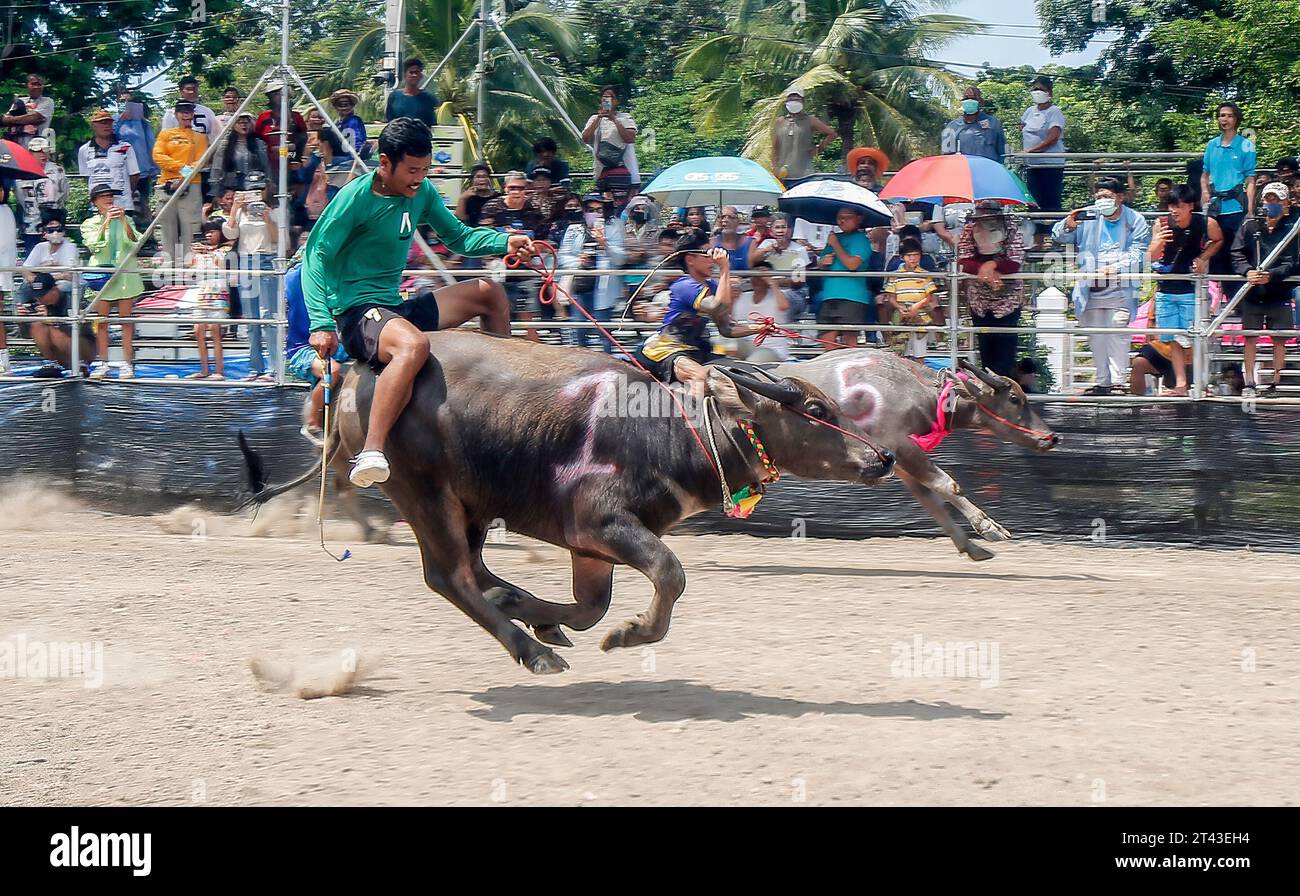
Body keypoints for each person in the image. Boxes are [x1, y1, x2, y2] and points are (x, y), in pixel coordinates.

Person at [302, 117, 531, 487]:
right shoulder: (354, 198)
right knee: (414, 345)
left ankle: (501, 401)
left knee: (489, 293)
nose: (418, 178)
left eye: (424, 170)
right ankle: (372, 451)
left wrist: (505, 242)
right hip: (359, 313)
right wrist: (320, 322)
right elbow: (316, 255)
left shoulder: (421, 192)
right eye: (411, 170)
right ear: (385, 163)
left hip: (395, 306)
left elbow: (458, 237)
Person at [630, 227, 764, 396]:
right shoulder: (684, 285)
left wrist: (759, 328)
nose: (712, 260)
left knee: (737, 372)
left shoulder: (712, 286)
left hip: (694, 350)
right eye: (707, 254)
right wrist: (724, 269)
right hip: (667, 350)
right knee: (700, 378)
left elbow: (726, 329)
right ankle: (690, 421)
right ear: (690, 260)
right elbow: (718, 306)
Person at [1052, 177, 1151, 394]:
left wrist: (1114, 268)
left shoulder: (1136, 220)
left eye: (1107, 196)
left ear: (1120, 197)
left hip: (1120, 284)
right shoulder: (1087, 215)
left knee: (1117, 329)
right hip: (1090, 286)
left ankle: (1118, 382)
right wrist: (1068, 225)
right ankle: (1103, 382)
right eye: (1098, 197)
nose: (1102, 201)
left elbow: (1139, 252)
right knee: (1095, 334)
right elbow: (1058, 236)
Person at [1147, 184, 1223, 396]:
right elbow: (1151, 256)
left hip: (1191, 289)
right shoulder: (1160, 224)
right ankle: (1181, 384)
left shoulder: (1205, 222)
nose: (1174, 210)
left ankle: (1202, 382)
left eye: (1179, 205)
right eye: (1171, 205)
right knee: (1172, 339)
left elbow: (1218, 240)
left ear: (1190, 206)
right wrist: (1158, 241)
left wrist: (1203, 257)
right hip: (1166, 288)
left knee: (1196, 338)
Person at [1230, 181, 1299, 398]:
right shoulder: (1250, 225)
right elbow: (1236, 252)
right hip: (1252, 291)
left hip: (1279, 291)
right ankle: (1250, 383)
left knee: (1279, 338)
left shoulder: (1293, 228)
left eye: (1276, 199)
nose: (1271, 203)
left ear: (1286, 202)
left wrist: (1273, 275)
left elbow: (1293, 261)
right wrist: (1247, 272)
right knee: (1250, 337)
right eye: (1268, 199)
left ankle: (1275, 383)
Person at [81, 184, 146, 379]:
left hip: (125, 274)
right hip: (103, 276)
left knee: (126, 321)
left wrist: (124, 220)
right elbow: (94, 245)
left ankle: (127, 364)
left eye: (110, 196)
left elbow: (136, 243)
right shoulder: (89, 223)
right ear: (95, 202)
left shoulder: (126, 219)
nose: (109, 200)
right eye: (103, 197)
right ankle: (103, 363)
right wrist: (106, 222)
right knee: (102, 322)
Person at [958, 200, 1026, 377]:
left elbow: (1015, 261)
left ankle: (1003, 389)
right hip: (980, 301)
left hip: (1007, 301)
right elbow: (964, 259)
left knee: (1005, 352)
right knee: (986, 350)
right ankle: (989, 389)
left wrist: (993, 265)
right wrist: (983, 270)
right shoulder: (969, 229)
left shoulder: (1011, 228)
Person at [223, 173, 280, 381]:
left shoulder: (273, 210)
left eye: (259, 189)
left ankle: (274, 368)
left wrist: (267, 218)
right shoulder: (240, 212)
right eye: (251, 190)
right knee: (251, 319)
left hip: (266, 259)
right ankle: (255, 368)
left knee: (269, 317)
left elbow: (278, 240)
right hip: (246, 261)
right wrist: (236, 208)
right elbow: (230, 234)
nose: (255, 194)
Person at [285, 262, 348, 445]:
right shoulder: (296, 278)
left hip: (333, 344)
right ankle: (311, 424)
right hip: (302, 350)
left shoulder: (326, 280)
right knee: (332, 371)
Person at [558, 192, 625, 351]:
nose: (595, 213)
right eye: (590, 209)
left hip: (604, 286)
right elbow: (562, 257)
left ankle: (607, 366)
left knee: (604, 334)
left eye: (599, 209)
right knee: (579, 329)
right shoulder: (574, 229)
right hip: (581, 286)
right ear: (584, 211)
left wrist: (604, 244)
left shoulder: (614, 227)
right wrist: (577, 261)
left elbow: (620, 259)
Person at [740, 212, 811, 361]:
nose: (780, 231)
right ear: (771, 230)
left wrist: (772, 281)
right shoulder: (766, 245)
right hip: (769, 290)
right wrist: (766, 251)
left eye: (783, 227)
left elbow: (799, 280)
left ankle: (781, 341)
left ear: (790, 230)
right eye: (777, 227)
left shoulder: (799, 250)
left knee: (780, 301)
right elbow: (751, 263)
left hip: (793, 293)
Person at [1202, 101, 1256, 287]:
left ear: (1236, 119)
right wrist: (1204, 191)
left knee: (1237, 251)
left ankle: (1238, 297)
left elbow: (1250, 179)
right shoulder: (1212, 145)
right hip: (1216, 208)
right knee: (1215, 251)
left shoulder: (1246, 145)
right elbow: (1205, 173)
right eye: (1221, 115)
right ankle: (1216, 297)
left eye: (1229, 115)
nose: (1224, 119)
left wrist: (1249, 209)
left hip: (1236, 206)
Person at [153, 100, 209, 264]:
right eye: (182, 111)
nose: (186, 114)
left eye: (189, 111)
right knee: (167, 229)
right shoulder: (166, 134)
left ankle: (187, 268)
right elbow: (158, 156)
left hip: (191, 185)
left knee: (188, 231)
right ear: (176, 114)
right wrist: (181, 169)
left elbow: (200, 161)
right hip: (167, 184)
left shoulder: (200, 137)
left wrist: (183, 177)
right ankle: (169, 268)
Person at [816, 207, 875, 349]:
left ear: (859, 219)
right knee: (827, 340)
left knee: (850, 342)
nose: (842, 220)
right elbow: (821, 261)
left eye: (847, 217)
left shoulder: (861, 240)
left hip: (851, 296)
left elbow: (852, 264)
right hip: (829, 294)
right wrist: (823, 261)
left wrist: (835, 245)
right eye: (840, 217)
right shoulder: (835, 238)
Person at [14, 273, 92, 378]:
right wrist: (22, 321)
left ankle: (80, 364)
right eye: (37, 295)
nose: (39, 299)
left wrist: (51, 319)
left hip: (84, 346)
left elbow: (80, 330)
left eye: (43, 295)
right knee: (37, 327)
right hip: (61, 352)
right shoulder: (37, 303)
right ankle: (54, 362)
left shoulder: (71, 299)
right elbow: (26, 335)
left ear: (54, 290)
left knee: (55, 333)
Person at [1019, 75, 1066, 238]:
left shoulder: (1054, 112)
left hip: (1050, 164)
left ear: (1049, 92)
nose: (1037, 92)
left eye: (1041, 89)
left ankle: (1051, 235)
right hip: (1032, 165)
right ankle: (1036, 235)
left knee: (1050, 200)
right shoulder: (1029, 112)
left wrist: (1033, 150)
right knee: (1034, 201)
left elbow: (1053, 137)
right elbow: (1023, 129)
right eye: (1035, 89)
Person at [881, 238, 941, 359]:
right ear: (902, 257)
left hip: (920, 315)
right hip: (901, 314)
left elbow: (929, 296)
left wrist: (916, 306)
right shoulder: (896, 275)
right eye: (909, 255)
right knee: (900, 352)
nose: (912, 258)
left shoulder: (925, 274)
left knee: (920, 354)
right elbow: (891, 297)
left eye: (916, 255)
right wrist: (899, 307)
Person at [189, 221, 232, 379]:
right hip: (201, 293)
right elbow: (191, 272)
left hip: (218, 293)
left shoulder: (225, 249)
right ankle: (204, 369)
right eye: (206, 232)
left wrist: (209, 251)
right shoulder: (198, 253)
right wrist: (195, 255)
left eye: (213, 231)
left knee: (215, 331)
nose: (209, 235)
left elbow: (223, 264)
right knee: (198, 330)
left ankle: (219, 371)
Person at [79, 109, 141, 215]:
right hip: (97, 207)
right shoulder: (84, 149)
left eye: (109, 122)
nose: (106, 126)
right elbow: (87, 177)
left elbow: (134, 175)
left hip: (123, 204)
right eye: (102, 123)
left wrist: (126, 193)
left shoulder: (125, 147)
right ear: (93, 125)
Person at [770, 86, 838, 183]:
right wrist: (774, 166)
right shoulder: (779, 122)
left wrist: (818, 148)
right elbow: (775, 147)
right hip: (783, 174)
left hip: (804, 174)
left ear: (803, 101)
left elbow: (832, 134)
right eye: (791, 98)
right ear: (786, 101)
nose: (794, 101)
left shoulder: (810, 120)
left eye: (797, 99)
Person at [16, 137, 68, 251]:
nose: (42, 155)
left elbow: (64, 193)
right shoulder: (20, 171)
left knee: (54, 259)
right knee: (32, 260)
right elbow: (19, 198)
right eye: (38, 152)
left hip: (53, 224)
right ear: (30, 153)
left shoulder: (58, 170)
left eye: (45, 151)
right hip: (30, 225)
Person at [582, 86, 639, 188]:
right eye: (604, 97)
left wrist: (613, 119)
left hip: (624, 171)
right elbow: (585, 139)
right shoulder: (594, 118)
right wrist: (599, 118)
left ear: (617, 101)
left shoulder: (625, 117)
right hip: (602, 172)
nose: (607, 100)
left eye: (611, 97)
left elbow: (630, 138)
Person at [114, 94, 158, 217]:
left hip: (142, 169)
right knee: (123, 204)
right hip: (122, 170)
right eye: (122, 101)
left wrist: (154, 167)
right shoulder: (114, 119)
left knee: (143, 203)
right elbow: (110, 138)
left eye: (129, 101)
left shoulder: (142, 122)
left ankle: (148, 233)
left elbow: (150, 143)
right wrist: (121, 119)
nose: (126, 103)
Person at [940, 86, 1006, 163]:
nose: (970, 101)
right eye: (966, 98)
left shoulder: (994, 124)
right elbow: (946, 156)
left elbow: (1002, 152)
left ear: (980, 102)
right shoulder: (952, 126)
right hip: (964, 170)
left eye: (974, 98)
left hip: (989, 169)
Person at [210, 111, 269, 193]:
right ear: (233, 125)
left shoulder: (259, 143)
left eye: (246, 122)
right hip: (231, 188)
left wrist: (269, 183)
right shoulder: (225, 145)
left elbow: (266, 165)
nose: (243, 125)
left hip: (255, 186)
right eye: (239, 123)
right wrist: (215, 190)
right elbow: (217, 168)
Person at [255, 81, 308, 173]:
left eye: (282, 94)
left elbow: (303, 139)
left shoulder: (296, 117)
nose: (280, 97)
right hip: (268, 162)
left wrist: (297, 158)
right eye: (276, 94)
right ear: (270, 97)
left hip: (291, 159)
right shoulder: (264, 117)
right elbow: (258, 139)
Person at [1, 73, 54, 147]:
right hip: (15, 143)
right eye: (33, 84)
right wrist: (8, 120)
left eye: (39, 84)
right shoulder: (20, 101)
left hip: (36, 145)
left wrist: (9, 120)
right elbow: (6, 119)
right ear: (27, 85)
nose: (36, 87)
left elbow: (34, 118)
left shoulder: (47, 101)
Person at [385, 58, 437, 124]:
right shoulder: (394, 97)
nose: (414, 75)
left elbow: (431, 123)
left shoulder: (428, 98)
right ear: (405, 75)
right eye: (411, 72)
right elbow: (390, 122)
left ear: (421, 76)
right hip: (398, 133)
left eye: (416, 72)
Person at [329, 89, 368, 155]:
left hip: (350, 156)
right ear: (335, 107)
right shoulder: (336, 123)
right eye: (340, 105)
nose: (344, 108)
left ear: (352, 106)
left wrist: (356, 153)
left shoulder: (354, 121)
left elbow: (357, 140)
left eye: (347, 104)